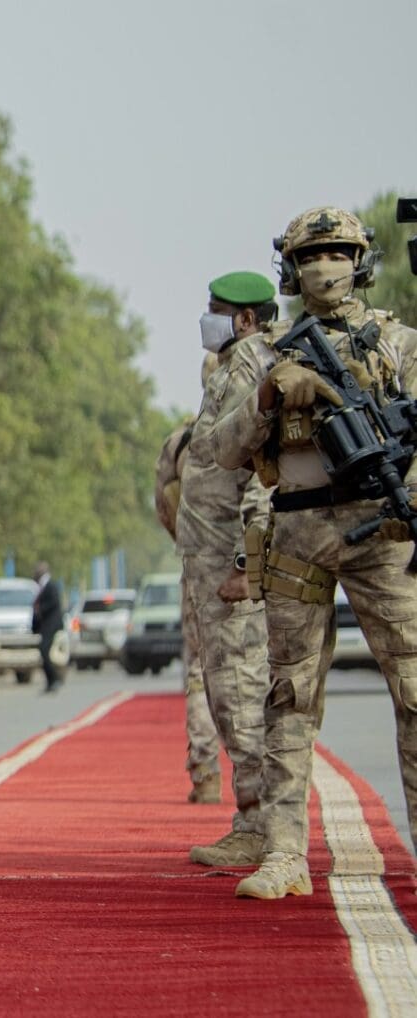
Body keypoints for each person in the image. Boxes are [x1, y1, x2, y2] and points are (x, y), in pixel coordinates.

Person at [208, 206, 417, 900]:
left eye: (338, 252)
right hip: (298, 533)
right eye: (311, 254)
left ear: (362, 261)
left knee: (415, 692)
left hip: (383, 534)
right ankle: (286, 854)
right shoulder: (266, 353)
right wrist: (269, 396)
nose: (325, 265)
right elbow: (222, 450)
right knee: (289, 697)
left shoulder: (400, 344)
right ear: (291, 269)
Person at [181, 270, 278, 867]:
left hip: (229, 567)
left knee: (240, 690)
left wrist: (247, 563)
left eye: (216, 310)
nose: (206, 319)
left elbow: (261, 475)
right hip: (212, 559)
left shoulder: (247, 368)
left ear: (244, 319)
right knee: (226, 690)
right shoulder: (235, 366)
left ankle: (259, 826)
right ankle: (253, 820)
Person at [155, 416, 223, 803]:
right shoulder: (259, 415)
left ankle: (206, 772)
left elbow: (164, 504)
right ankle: (261, 779)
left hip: (199, 567)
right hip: (253, 567)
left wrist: (188, 540)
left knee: (199, 670)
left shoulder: (180, 443)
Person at [30, 562, 65, 693]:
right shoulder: (41, 587)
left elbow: (53, 603)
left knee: (44, 650)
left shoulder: (51, 586)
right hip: (45, 626)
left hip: (51, 625)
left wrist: (40, 609)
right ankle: (51, 681)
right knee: (44, 652)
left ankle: (54, 679)